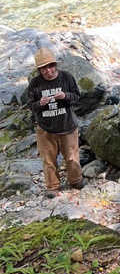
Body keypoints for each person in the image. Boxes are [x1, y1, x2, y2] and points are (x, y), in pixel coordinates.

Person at [24, 48, 83, 197]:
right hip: (45, 129)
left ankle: (76, 181)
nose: (48, 71)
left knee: (72, 157)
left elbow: (77, 97)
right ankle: (52, 187)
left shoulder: (66, 78)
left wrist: (65, 96)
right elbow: (30, 105)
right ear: (39, 70)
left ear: (55, 65)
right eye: (44, 68)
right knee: (48, 160)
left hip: (67, 126)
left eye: (50, 66)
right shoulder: (35, 83)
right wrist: (40, 103)